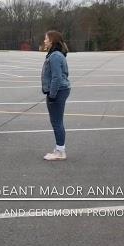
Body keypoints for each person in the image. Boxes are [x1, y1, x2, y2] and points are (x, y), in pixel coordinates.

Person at [41, 30, 71, 161]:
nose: (44, 41)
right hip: (60, 91)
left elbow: (57, 77)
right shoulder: (55, 55)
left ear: (52, 40)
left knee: (57, 122)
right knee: (56, 121)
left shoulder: (55, 56)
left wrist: (52, 95)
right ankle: (59, 148)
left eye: (46, 39)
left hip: (58, 92)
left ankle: (60, 152)